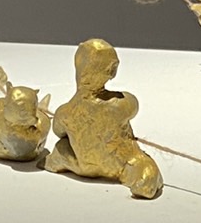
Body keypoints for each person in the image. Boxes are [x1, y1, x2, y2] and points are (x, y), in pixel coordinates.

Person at [47, 38, 161, 199]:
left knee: (62, 147)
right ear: (111, 70)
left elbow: (59, 132)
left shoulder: (63, 113)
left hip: (82, 167)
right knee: (144, 168)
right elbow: (132, 110)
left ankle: (53, 162)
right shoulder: (123, 103)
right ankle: (144, 184)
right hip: (120, 166)